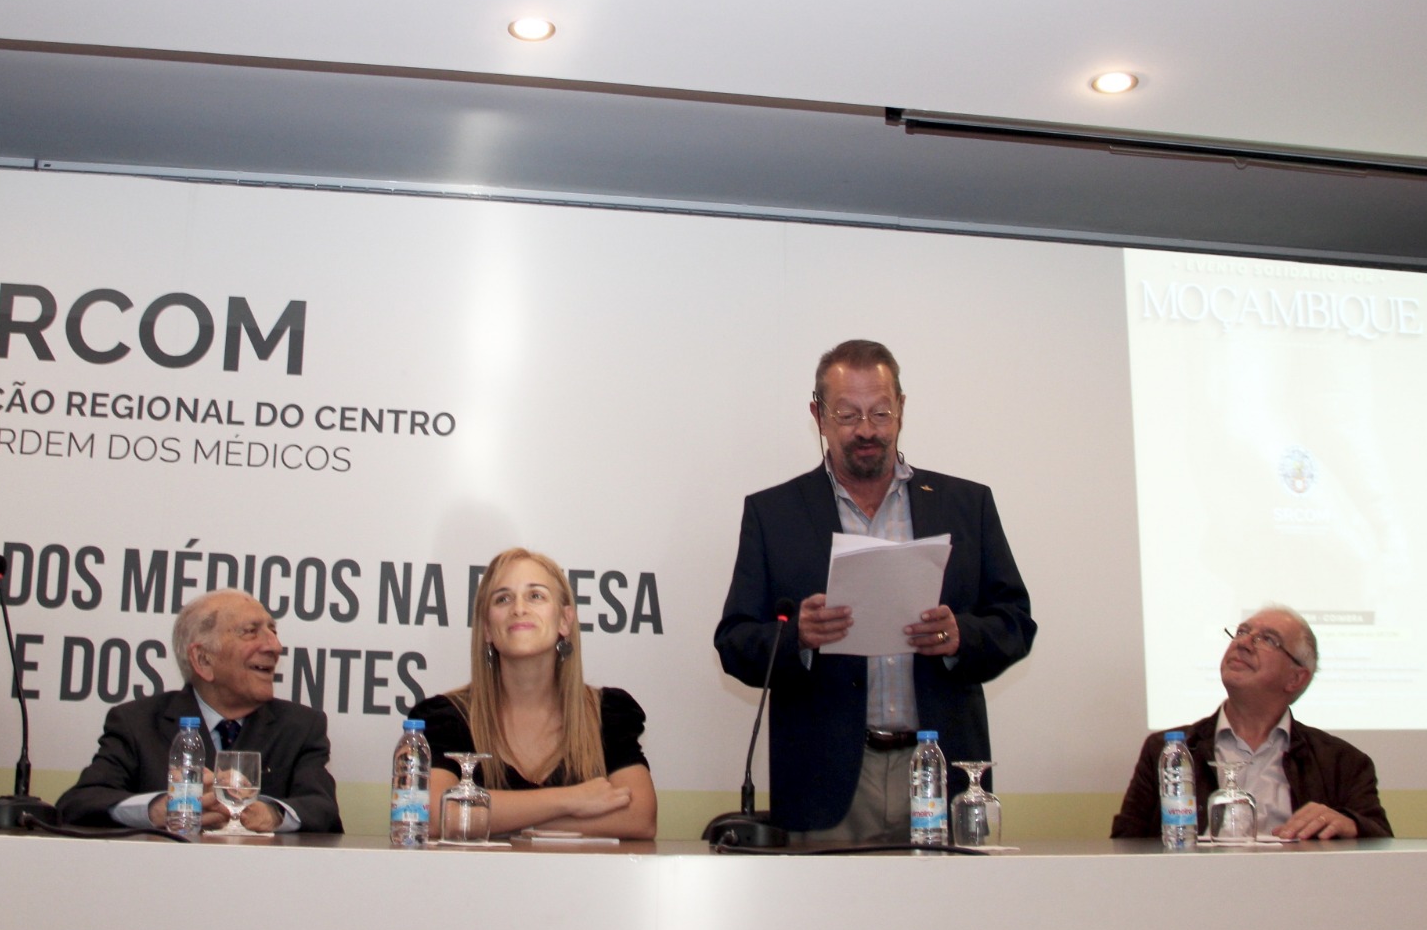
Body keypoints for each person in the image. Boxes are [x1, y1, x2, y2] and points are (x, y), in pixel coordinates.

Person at [714, 339, 1036, 842]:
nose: (867, 430)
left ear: (901, 409)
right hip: (826, 781)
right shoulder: (774, 514)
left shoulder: (965, 505)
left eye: (880, 413)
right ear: (819, 416)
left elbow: (1015, 622)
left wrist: (961, 636)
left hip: (940, 771)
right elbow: (734, 643)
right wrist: (798, 636)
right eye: (848, 415)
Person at [407, 548, 657, 839]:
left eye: (536, 596)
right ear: (487, 628)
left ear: (565, 620)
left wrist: (498, 820)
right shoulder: (447, 718)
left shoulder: (607, 713)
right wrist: (572, 800)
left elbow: (640, 818)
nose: (519, 609)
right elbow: (434, 815)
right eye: (503, 599)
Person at [56, 589, 341, 833]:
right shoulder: (137, 722)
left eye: (273, 631)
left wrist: (272, 813)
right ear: (203, 659)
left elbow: (323, 810)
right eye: (251, 631)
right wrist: (157, 810)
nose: (274, 646)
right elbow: (78, 804)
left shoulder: (301, 726)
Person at [1111, 605, 1392, 840]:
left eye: (1268, 639)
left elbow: (1382, 841)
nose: (1242, 642)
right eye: (1242, 632)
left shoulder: (1343, 762)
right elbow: (1125, 845)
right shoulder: (1169, 750)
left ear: (1295, 678)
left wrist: (1352, 824)